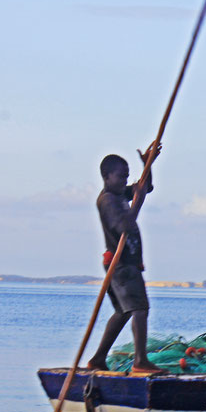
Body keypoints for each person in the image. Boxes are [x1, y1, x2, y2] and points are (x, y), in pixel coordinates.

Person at [87, 142, 166, 374]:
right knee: (139, 308)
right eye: (121, 177)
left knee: (123, 312)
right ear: (106, 176)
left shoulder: (119, 193)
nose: (124, 181)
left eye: (126, 177)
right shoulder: (108, 200)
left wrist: (148, 164)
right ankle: (140, 361)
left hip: (125, 264)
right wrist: (138, 200)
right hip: (121, 265)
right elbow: (125, 225)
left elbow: (146, 187)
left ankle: (98, 359)